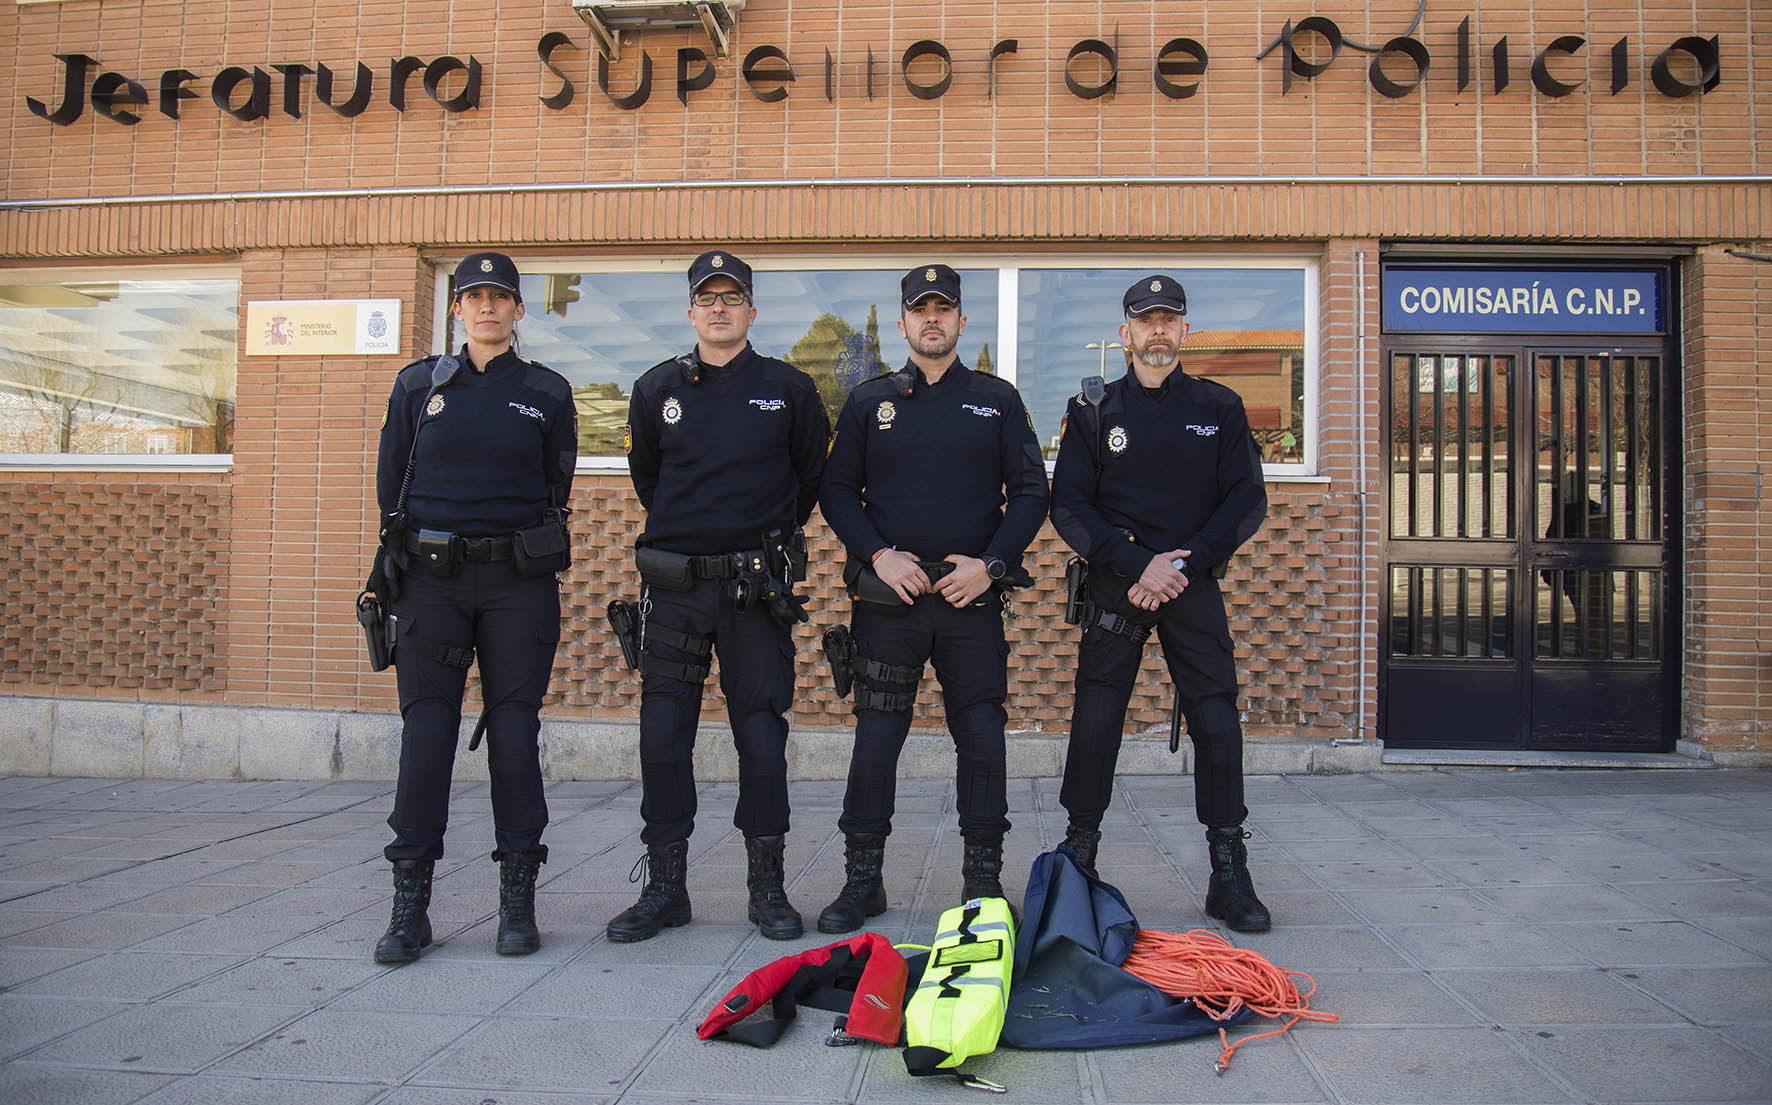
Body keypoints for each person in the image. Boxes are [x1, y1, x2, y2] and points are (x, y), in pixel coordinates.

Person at [816, 264, 1049, 933]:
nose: (933, 319)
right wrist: (878, 554)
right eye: (921, 309)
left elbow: (1032, 493)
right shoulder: (869, 401)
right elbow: (837, 490)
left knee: (980, 738)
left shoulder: (997, 400)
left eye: (944, 308)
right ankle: (863, 880)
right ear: (903, 323)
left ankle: (982, 880)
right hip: (890, 603)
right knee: (876, 738)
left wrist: (993, 564)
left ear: (961, 322)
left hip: (968, 600)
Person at [609, 250, 830, 943]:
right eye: (708, 298)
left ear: (752, 311)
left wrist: (756, 546)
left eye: (733, 297)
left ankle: (767, 887)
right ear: (691, 311)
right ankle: (667, 889)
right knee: (662, 737)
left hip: (752, 593)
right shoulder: (655, 390)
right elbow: (649, 476)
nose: (720, 307)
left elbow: (807, 482)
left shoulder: (789, 388)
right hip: (674, 592)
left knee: (761, 738)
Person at [368, 252, 578, 964]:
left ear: (520, 311)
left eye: (501, 298)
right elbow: (391, 479)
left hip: (517, 585)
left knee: (514, 738)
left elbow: (557, 483)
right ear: (457, 309)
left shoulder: (547, 391)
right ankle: (410, 907)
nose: (487, 308)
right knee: (426, 737)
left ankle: (517, 904)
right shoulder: (419, 385)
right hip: (432, 583)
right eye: (474, 297)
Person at [1049, 275, 1272, 933]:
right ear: (1125, 333)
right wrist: (1135, 561)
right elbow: (1069, 505)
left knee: (1216, 718)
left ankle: (1228, 868)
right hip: (1120, 582)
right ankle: (1078, 856)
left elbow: (1246, 500)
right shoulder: (1091, 410)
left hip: (1190, 580)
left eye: (1168, 319)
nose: (1157, 329)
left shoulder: (1220, 407)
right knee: (1096, 717)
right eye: (1145, 319)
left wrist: (1181, 562)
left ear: (1184, 332)